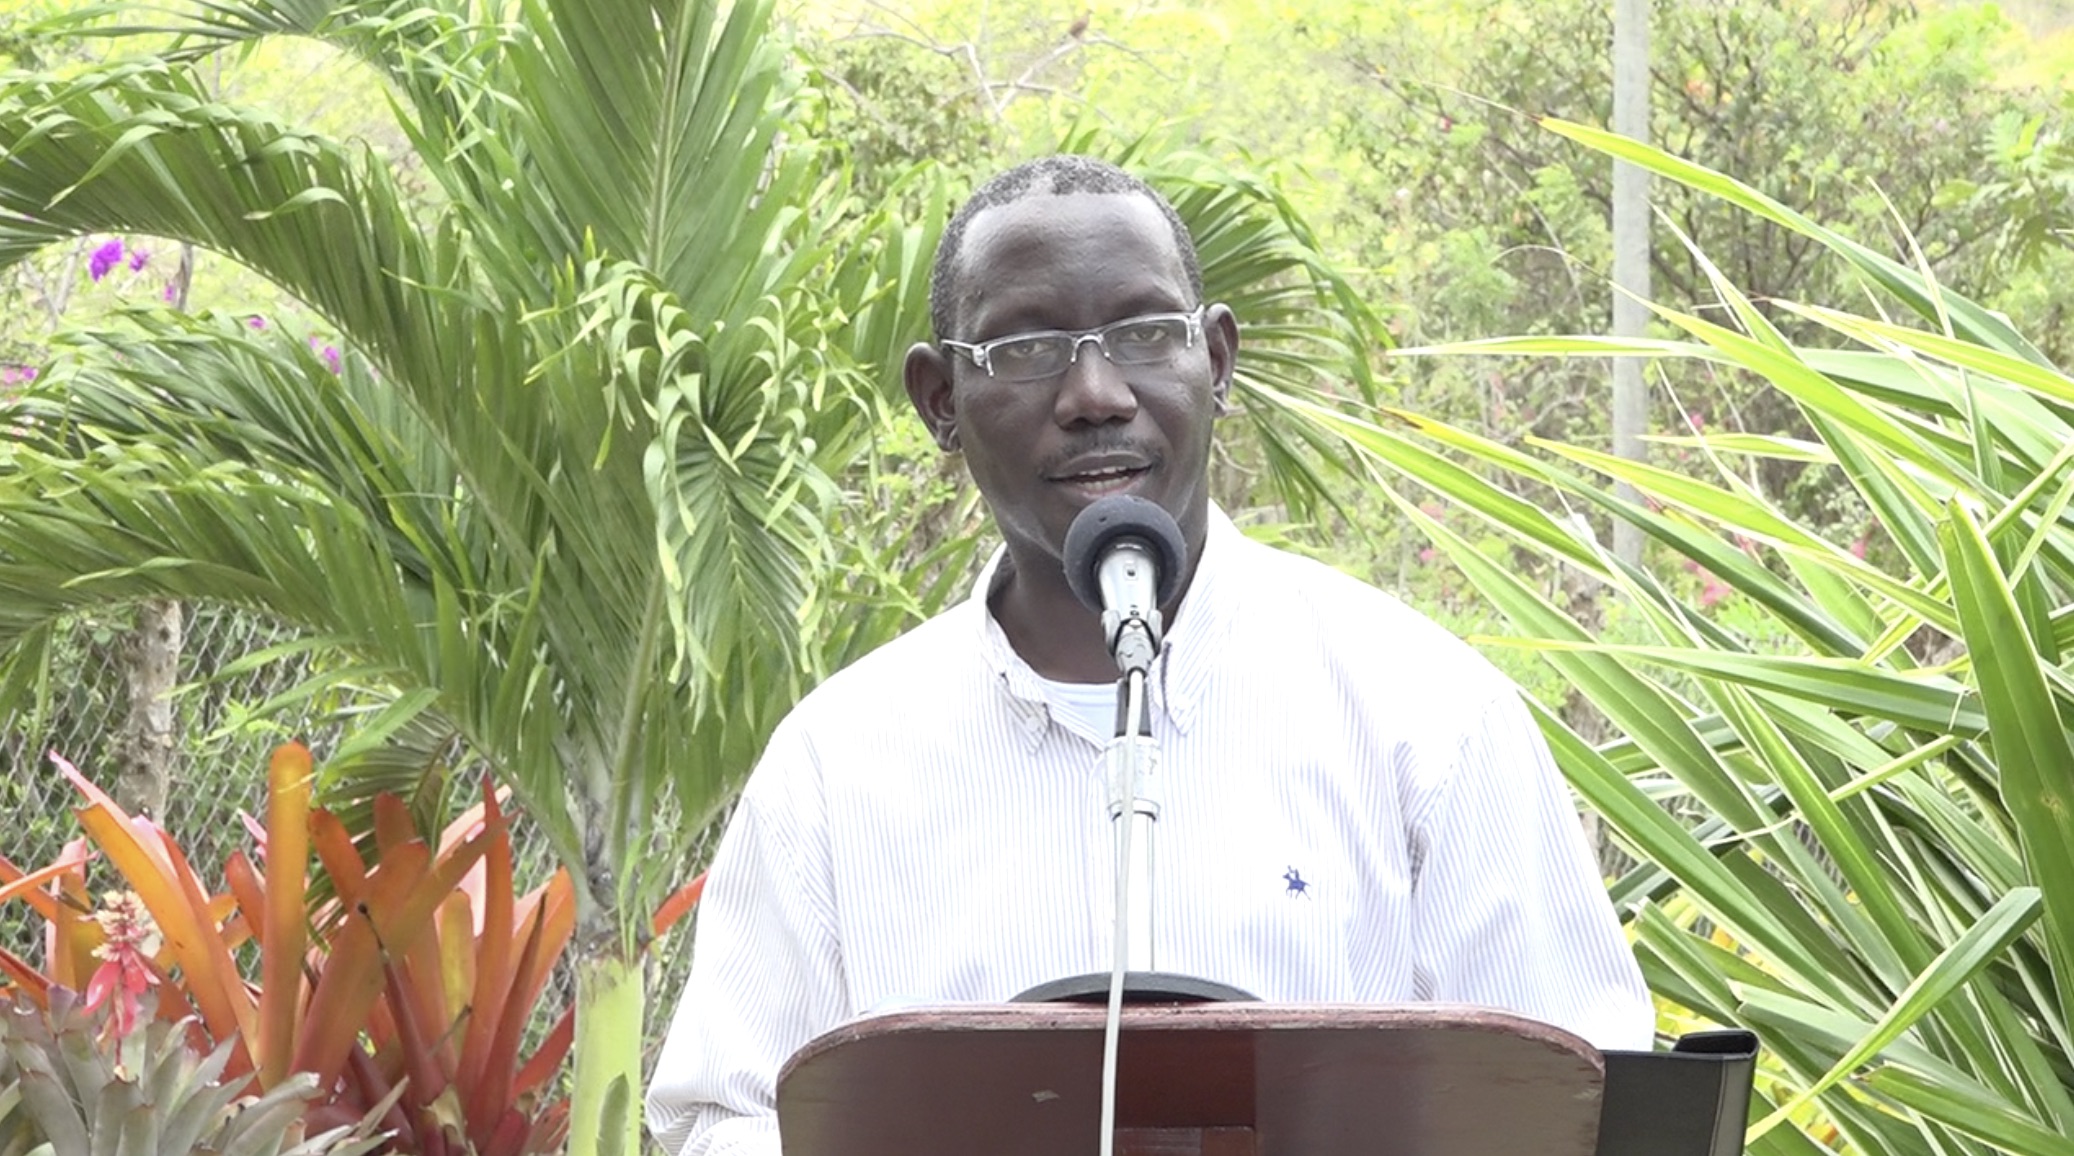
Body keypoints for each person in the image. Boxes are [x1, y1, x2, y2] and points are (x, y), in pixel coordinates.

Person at [644, 155, 1654, 1156]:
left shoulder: (1422, 714)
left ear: (1215, 361)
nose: (1094, 392)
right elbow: (720, 1120)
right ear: (939, 398)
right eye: (1028, 346)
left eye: (1142, 333)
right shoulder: (838, 764)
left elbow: (1577, 1091)